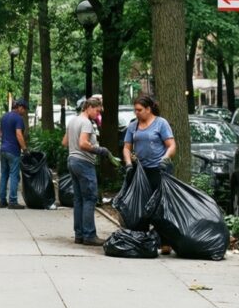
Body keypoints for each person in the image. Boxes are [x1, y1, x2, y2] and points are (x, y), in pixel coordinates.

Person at [122, 95, 177, 254]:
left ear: (148, 109)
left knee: (161, 207)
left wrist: (165, 159)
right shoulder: (133, 126)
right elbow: (127, 147)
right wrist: (128, 164)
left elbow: (171, 145)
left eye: (139, 110)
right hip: (141, 171)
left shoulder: (161, 123)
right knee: (141, 206)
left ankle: (165, 242)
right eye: (135, 110)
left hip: (158, 170)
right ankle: (143, 240)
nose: (136, 113)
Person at [62, 97, 114, 246]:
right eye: (97, 111)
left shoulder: (72, 121)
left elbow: (64, 142)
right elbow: (83, 143)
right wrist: (99, 149)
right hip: (84, 163)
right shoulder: (86, 123)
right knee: (90, 198)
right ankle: (89, 235)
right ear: (89, 107)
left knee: (78, 199)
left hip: (72, 161)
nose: (97, 115)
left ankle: (79, 234)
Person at [0, 99, 29, 209]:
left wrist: (5, 141)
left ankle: (2, 201)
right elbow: (19, 134)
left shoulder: (4, 116)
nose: (24, 112)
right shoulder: (18, 119)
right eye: (24, 109)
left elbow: (0, 132)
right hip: (13, 151)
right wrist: (24, 149)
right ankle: (13, 201)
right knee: (14, 175)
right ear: (20, 107)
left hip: (3, 150)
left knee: (4, 175)